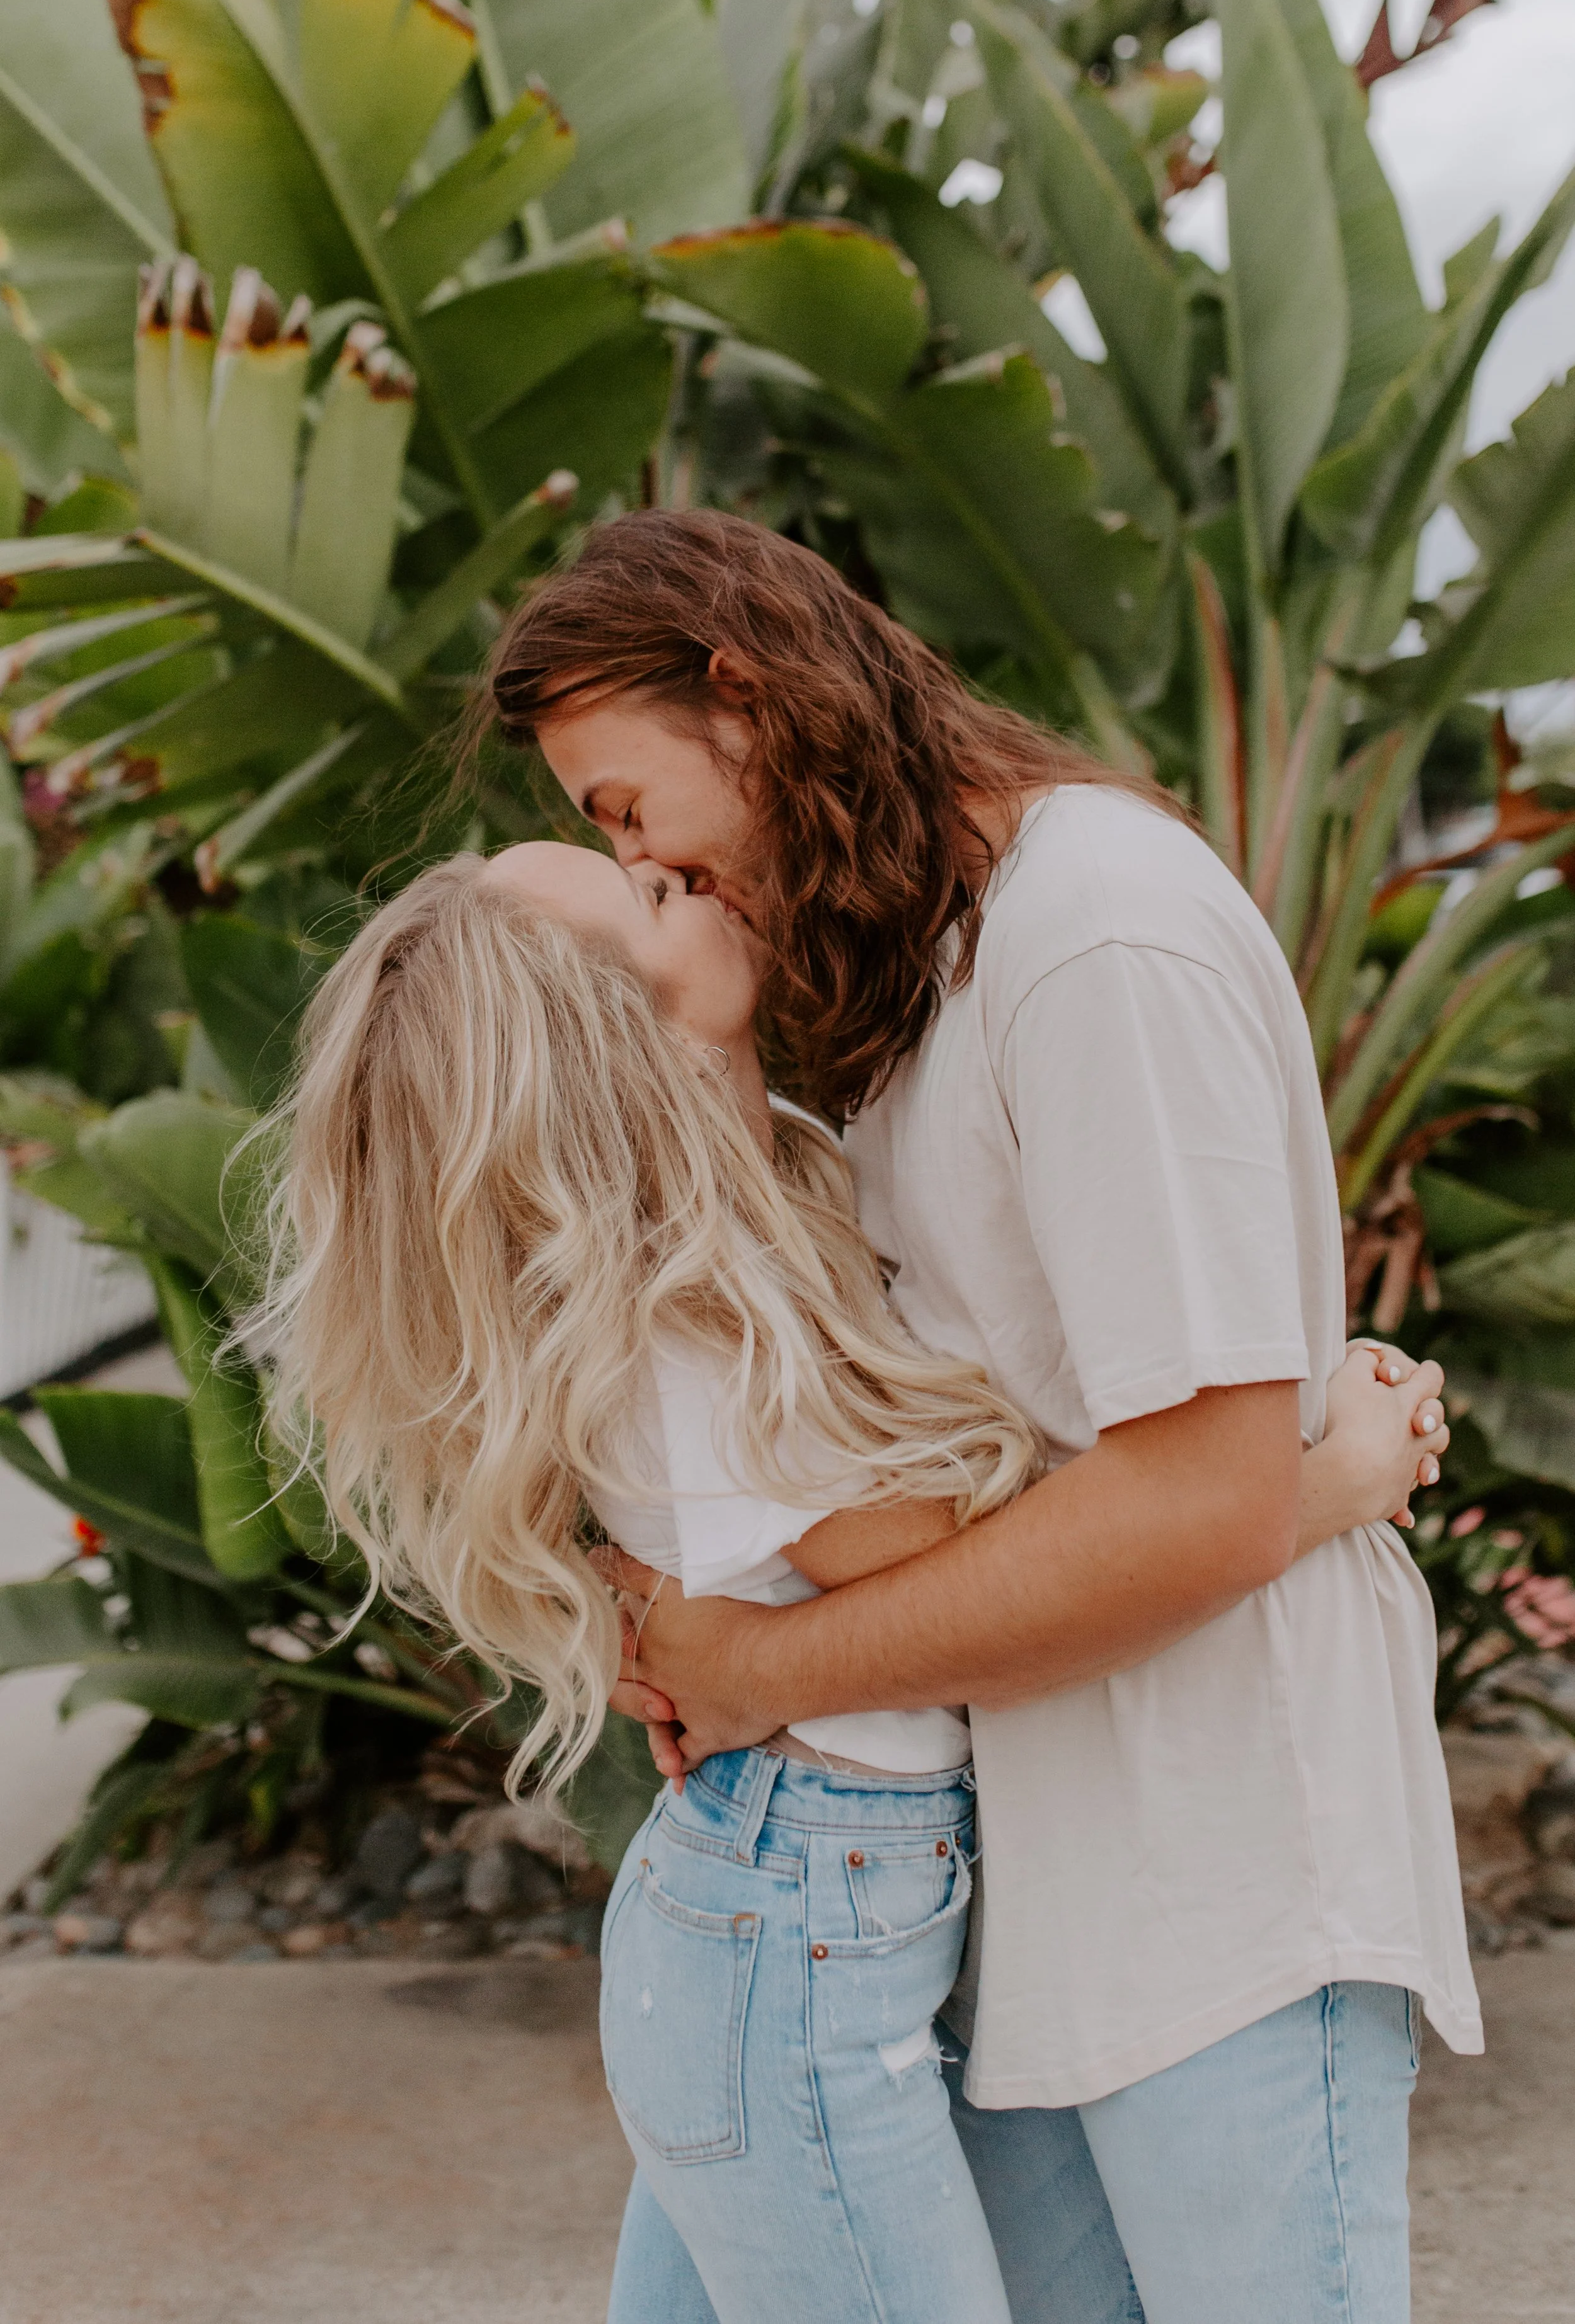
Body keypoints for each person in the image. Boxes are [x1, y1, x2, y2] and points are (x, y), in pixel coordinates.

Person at [474, 507, 1483, 2324]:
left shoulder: (1090, 936)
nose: (656, 877)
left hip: (1213, 1848)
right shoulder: (907, 963)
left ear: (746, 696)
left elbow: (1187, 1499)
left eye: (629, 812)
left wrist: (757, 1662)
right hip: (1019, 1852)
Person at [253, 837, 1448, 2324]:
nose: (682, 873)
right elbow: (977, 1572)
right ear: (616, 1033)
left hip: (793, 1919)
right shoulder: (697, 1322)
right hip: (788, 1934)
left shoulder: (764, 1215)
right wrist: (1324, 1480)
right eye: (647, 897)